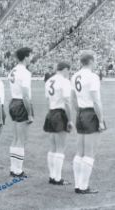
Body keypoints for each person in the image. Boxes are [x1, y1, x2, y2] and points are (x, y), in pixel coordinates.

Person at [71, 50, 106, 194]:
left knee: (80, 152)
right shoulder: (92, 77)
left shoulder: (75, 76)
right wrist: (101, 120)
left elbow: (72, 98)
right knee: (90, 152)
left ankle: (78, 185)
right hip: (90, 113)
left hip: (80, 113)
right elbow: (96, 101)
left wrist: (78, 111)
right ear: (91, 61)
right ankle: (83, 187)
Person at [44, 62, 73, 185]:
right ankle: (58, 178)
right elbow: (67, 102)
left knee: (52, 148)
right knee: (60, 148)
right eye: (69, 70)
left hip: (51, 112)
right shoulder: (64, 81)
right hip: (60, 113)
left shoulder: (49, 81)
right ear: (65, 69)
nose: (69, 73)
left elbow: (47, 99)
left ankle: (52, 176)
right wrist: (70, 120)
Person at [8, 47, 34, 177]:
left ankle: (13, 168)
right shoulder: (25, 72)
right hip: (21, 103)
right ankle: (17, 170)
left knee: (16, 137)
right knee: (21, 139)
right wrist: (29, 113)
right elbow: (25, 95)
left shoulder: (13, 69)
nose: (31, 58)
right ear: (26, 57)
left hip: (13, 102)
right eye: (30, 56)